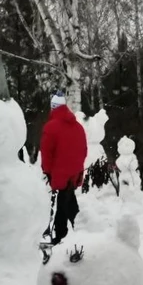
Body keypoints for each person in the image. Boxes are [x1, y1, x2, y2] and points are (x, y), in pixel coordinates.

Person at [40, 91, 87, 245]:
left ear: (53, 108)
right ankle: (82, 229)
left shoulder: (51, 127)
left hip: (58, 172)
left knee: (60, 204)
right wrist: (78, 169)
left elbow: (46, 152)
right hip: (73, 172)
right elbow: (84, 150)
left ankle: (60, 235)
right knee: (69, 200)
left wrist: (47, 171)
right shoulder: (78, 127)